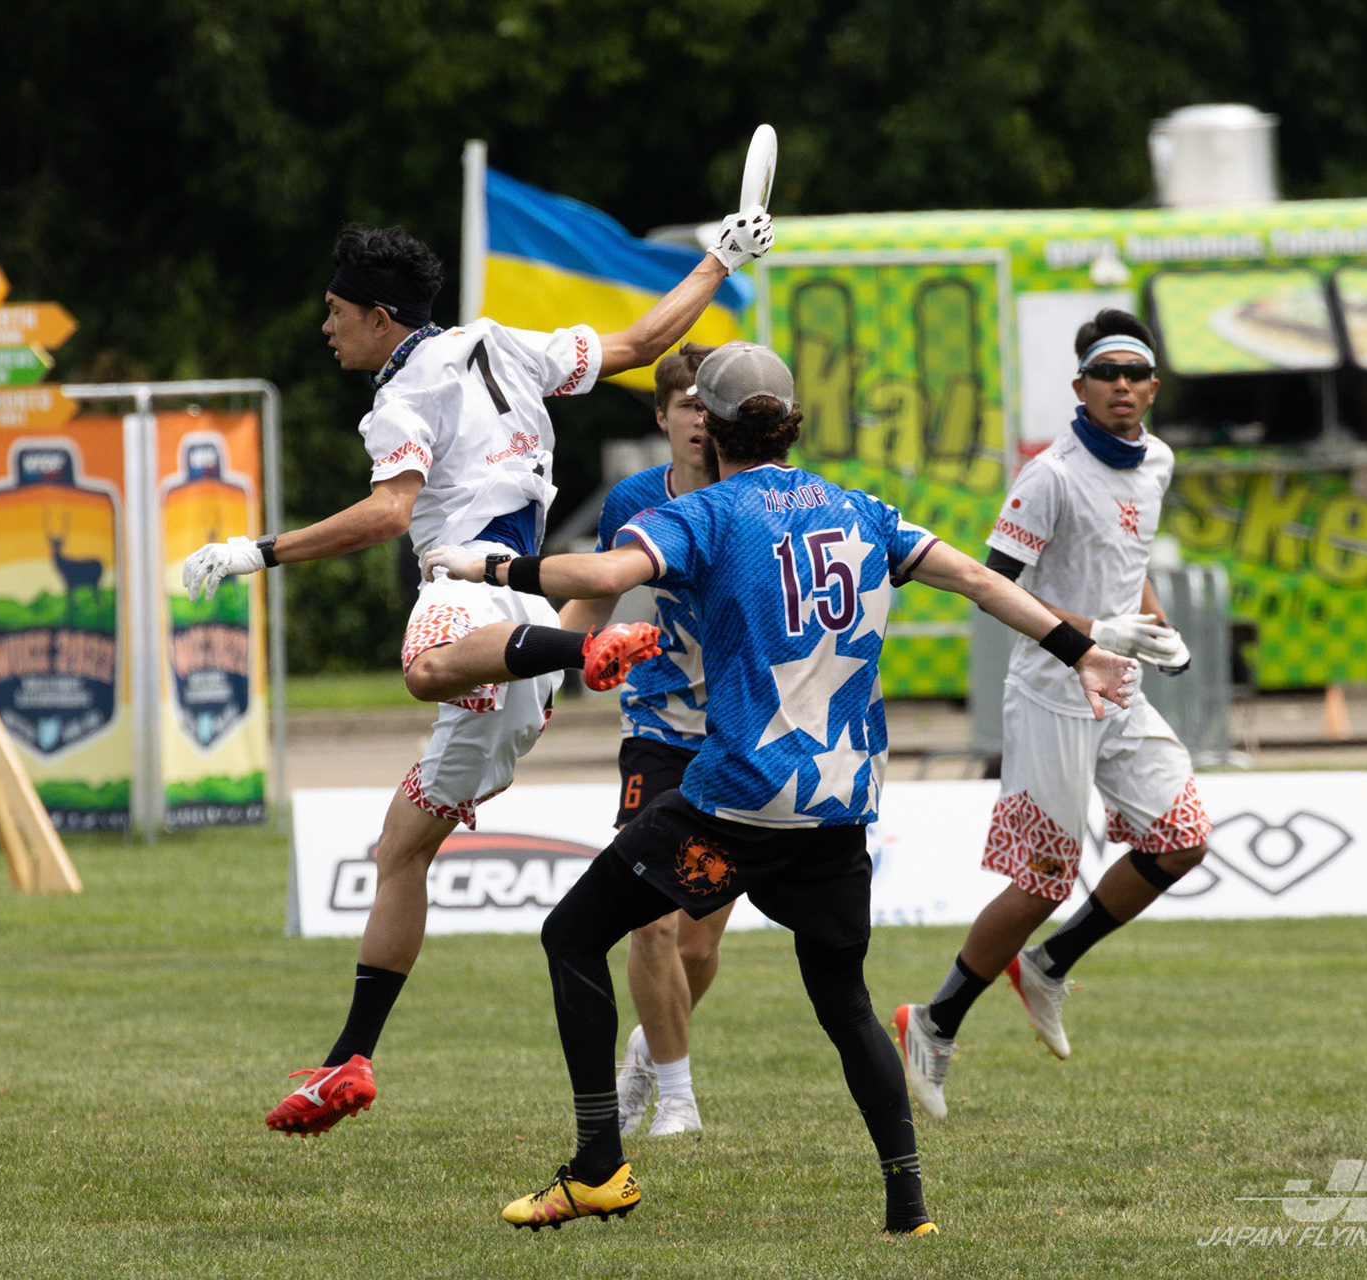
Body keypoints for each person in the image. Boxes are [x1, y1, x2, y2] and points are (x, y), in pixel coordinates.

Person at [422, 342, 1138, 1235]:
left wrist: (488, 568)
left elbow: (602, 578)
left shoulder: (710, 511)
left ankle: (598, 1168)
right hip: (838, 808)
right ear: (791, 423)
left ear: (714, 429)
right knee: (845, 1003)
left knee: (571, 934)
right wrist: (1081, 651)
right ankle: (909, 1207)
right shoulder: (860, 509)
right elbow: (977, 580)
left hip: (736, 801)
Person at [178, 206, 775, 1137]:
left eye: (335, 310)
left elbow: (390, 514)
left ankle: (588, 649)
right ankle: (348, 1060)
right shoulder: (506, 342)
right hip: (525, 632)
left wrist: (257, 552)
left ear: (380, 317)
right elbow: (641, 344)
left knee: (423, 668)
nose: (326, 326)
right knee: (400, 848)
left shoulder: (399, 398)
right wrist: (719, 261)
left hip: (473, 594)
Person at [892, 309, 1212, 1120]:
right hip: (1050, 692)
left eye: (1135, 373)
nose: (1121, 386)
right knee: (1043, 881)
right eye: (1106, 373)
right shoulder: (1051, 477)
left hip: (1121, 688)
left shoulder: (1158, 462)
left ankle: (1049, 964)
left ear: (1153, 388)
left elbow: (1128, 561)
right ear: (1080, 386)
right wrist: (1095, 631)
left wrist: (1156, 623)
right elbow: (995, 587)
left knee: (1181, 839)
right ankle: (933, 1021)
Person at [556, 342, 728, 1140]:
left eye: (713, 406)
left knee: (695, 947)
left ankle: (644, 1054)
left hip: (741, 737)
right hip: (657, 729)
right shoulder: (633, 500)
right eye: (687, 405)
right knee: (649, 922)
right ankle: (679, 1100)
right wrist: (538, 670)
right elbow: (593, 597)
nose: (701, 420)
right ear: (661, 415)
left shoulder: (758, 496)